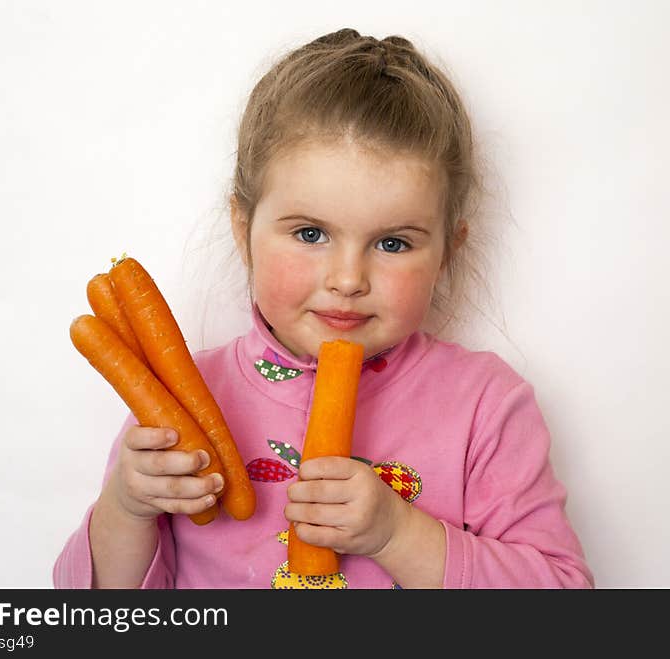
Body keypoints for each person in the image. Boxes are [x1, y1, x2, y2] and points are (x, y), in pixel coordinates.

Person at [53, 28, 594, 589]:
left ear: (447, 252)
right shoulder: (176, 399)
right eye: (311, 233)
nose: (347, 279)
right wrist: (127, 507)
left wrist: (399, 536)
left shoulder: (486, 405)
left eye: (392, 243)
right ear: (245, 231)